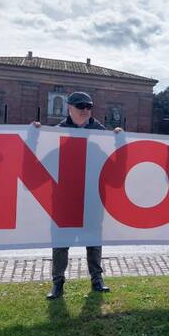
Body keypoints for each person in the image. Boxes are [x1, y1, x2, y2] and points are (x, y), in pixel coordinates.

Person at [39, 91, 111, 300]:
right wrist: (35, 136)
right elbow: (44, 161)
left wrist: (118, 139)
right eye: (81, 106)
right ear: (69, 107)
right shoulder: (57, 132)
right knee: (60, 242)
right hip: (64, 196)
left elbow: (110, 161)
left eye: (89, 106)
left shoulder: (101, 132)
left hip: (92, 196)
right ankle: (58, 283)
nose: (85, 110)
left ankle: (97, 279)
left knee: (94, 240)